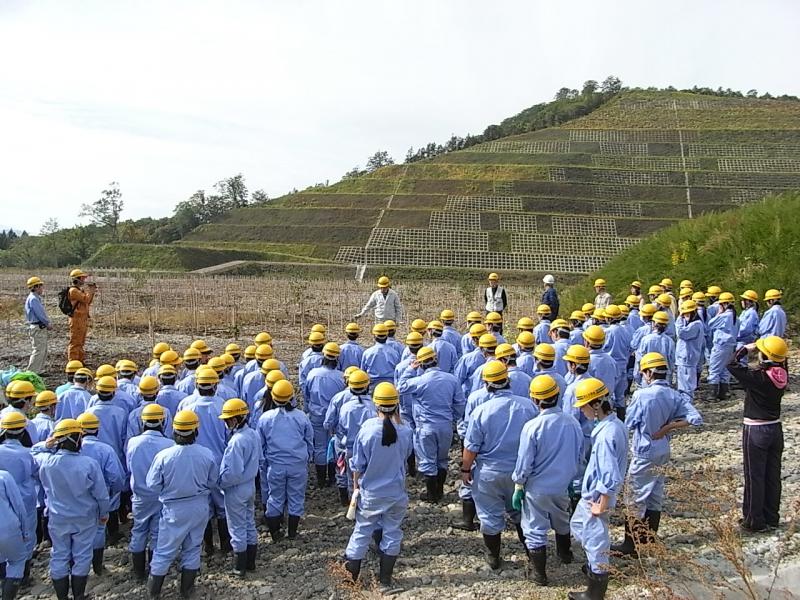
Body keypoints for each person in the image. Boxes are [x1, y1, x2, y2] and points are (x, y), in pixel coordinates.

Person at [612, 353, 702, 557]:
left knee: (634, 496)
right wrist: (669, 426)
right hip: (663, 447)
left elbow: (630, 423)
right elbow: (695, 418)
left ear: (648, 373)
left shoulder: (642, 395)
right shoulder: (673, 394)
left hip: (645, 449)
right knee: (655, 494)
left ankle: (631, 544)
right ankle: (649, 540)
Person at [461, 361, 537, 570]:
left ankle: (493, 557)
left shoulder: (481, 411)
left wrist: (465, 469)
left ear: (487, 384)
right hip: (520, 471)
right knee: (522, 513)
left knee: (489, 515)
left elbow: (471, 446)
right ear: (508, 381)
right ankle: (533, 557)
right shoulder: (528, 406)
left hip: (488, 473)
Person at [512, 375, 583, 585]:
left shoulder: (532, 427)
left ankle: (540, 574)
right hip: (562, 485)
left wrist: (519, 484)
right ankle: (565, 554)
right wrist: (572, 479)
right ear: (558, 395)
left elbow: (524, 462)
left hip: (537, 488)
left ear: (534, 400)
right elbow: (579, 455)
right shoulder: (573, 423)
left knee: (535, 529)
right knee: (562, 520)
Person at [343, 382, 413, 595]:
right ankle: (385, 582)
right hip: (396, 492)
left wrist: (355, 486)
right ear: (396, 404)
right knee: (392, 534)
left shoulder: (367, 429)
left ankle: (350, 581)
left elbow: (357, 465)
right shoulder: (406, 430)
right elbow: (406, 456)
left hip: (371, 492)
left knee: (362, 532)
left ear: (376, 405)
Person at [32, 418, 109, 600]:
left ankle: (62, 597)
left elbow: (33, 451)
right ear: (77, 439)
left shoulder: (46, 461)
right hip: (85, 517)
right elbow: (101, 495)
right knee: (82, 555)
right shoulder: (89, 464)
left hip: (58, 518)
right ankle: (79, 595)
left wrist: (47, 444)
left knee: (59, 555)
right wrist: (104, 514)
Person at [145, 410, 216, 600]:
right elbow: (213, 480)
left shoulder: (164, 456)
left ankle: (154, 593)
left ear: (174, 430)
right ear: (196, 431)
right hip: (199, 506)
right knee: (193, 549)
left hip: (174, 509)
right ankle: (187, 591)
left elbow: (152, 484)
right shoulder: (206, 454)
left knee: (164, 552)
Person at [568, 378, 628, 600]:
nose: (582, 411)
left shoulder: (605, 435)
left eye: (583, 406)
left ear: (596, 404)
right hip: (593, 495)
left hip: (597, 497)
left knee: (596, 541)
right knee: (578, 526)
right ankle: (595, 566)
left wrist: (601, 504)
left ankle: (595, 590)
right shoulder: (612, 424)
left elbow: (609, 474)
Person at [729, 336, 788, 532]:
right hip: (775, 428)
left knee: (754, 476)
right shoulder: (782, 374)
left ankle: (754, 520)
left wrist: (746, 349)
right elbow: (779, 359)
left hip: (755, 429)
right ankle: (772, 517)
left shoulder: (759, 377)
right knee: (773, 475)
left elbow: (731, 364)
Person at [397, 346, 465, 502]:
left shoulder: (419, 381)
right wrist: (452, 419)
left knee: (428, 460)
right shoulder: (451, 379)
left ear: (420, 364)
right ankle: (440, 491)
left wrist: (409, 369)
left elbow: (401, 387)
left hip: (426, 427)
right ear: (436, 360)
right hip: (446, 426)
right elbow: (460, 404)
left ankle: (431, 495)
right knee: (442, 459)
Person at [177, 367, 229, 556]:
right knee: (222, 504)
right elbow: (228, 434)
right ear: (215, 385)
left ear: (196, 384)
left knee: (202, 504)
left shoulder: (186, 405)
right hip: (218, 458)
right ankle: (225, 544)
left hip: (195, 459)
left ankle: (207, 545)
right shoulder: (222, 405)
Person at [258, 380, 313, 543]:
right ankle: (292, 533)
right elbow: (309, 441)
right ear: (292, 397)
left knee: (275, 498)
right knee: (296, 498)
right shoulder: (301, 417)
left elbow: (260, 444)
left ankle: (275, 534)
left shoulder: (265, 418)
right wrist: (308, 459)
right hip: (297, 465)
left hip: (275, 466)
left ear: (273, 398)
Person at [125, 404, 174, 583]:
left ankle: (138, 573)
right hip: (160, 495)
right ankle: (154, 571)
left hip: (139, 495)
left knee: (138, 531)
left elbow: (129, 466)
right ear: (162, 421)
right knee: (156, 532)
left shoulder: (133, 443)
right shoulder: (169, 444)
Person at [75, 412, 126, 573]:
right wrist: (116, 492)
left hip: (75, 499)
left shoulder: (70, 450)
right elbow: (116, 477)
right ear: (97, 430)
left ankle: (75, 567)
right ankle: (97, 566)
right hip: (101, 498)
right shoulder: (105, 450)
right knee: (98, 532)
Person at [218, 399, 261, 577]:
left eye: (229, 420)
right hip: (249, 485)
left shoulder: (236, 442)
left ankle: (239, 567)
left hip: (236, 488)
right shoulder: (252, 434)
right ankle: (251, 563)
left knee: (237, 528)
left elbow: (233, 473)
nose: (227, 423)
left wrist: (219, 483)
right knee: (249, 523)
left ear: (239, 419)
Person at [0, 412, 38, 586]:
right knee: (26, 537)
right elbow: (35, 472)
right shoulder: (26, 453)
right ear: (23, 432)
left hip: (3, 501)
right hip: (25, 499)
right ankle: (23, 576)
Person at [304, 342, 345, 488]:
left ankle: (321, 480)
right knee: (335, 445)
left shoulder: (312, 374)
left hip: (316, 414)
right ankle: (333, 477)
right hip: (335, 416)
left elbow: (306, 394)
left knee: (320, 446)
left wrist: (307, 409)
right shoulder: (341, 377)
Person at [0, 469, 31, 600]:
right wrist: (25, 531)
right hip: (7, 527)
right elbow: (18, 506)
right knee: (17, 561)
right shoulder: (4, 477)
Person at [707, 292, 739, 400]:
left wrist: (719, 313)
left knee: (714, 369)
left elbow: (710, 324)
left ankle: (712, 395)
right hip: (730, 346)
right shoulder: (736, 317)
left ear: (723, 304)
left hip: (721, 346)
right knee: (725, 369)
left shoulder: (725, 316)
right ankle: (724, 392)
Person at [675, 300, 706, 400]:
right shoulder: (691, 323)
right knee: (683, 387)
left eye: (686, 313)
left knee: (686, 388)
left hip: (687, 359)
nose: (684, 316)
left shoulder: (696, 325)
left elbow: (681, 333)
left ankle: (688, 409)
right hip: (685, 359)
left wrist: (679, 318)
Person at [65, 269, 96, 363]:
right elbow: (86, 299)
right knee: (75, 342)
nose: (84, 280)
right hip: (76, 320)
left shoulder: (79, 290)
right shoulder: (73, 290)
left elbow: (88, 301)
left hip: (82, 319)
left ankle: (80, 361)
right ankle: (73, 363)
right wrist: (90, 291)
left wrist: (92, 292)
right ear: (77, 279)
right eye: (82, 278)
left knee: (81, 342)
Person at [24, 276, 51, 375]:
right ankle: (31, 372)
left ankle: (38, 370)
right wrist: (47, 323)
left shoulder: (33, 298)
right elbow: (40, 314)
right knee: (39, 350)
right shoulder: (34, 299)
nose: (42, 288)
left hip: (37, 327)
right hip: (38, 327)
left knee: (42, 350)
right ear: (35, 287)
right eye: (40, 286)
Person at [360, 323, 400, 388]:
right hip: (390, 386)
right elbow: (398, 371)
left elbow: (363, 372)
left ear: (374, 336)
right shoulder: (394, 353)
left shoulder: (367, 353)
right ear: (387, 336)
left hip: (372, 386)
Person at [737, 291, 760, 366]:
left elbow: (746, 329)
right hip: (741, 340)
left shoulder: (751, 313)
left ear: (748, 301)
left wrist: (735, 334)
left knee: (741, 360)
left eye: (743, 300)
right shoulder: (746, 312)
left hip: (744, 340)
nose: (741, 302)